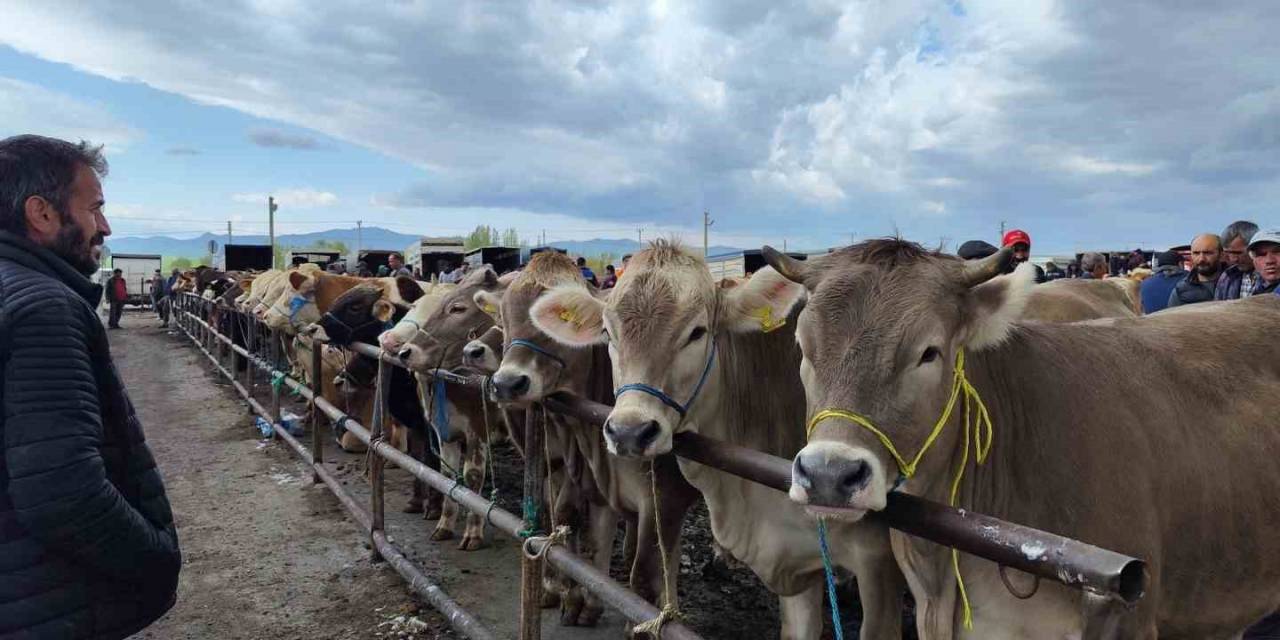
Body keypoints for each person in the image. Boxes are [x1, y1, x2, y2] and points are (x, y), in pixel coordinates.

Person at [0, 134, 180, 638]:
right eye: (95, 208)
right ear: (42, 213)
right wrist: (157, 557)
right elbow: (62, 491)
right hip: (43, 603)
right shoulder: (44, 307)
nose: (104, 225)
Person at [1168, 233, 1223, 307]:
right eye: (1196, 253)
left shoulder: (1236, 282)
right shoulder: (1181, 290)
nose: (1201, 259)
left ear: (1221, 254)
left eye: (1208, 253)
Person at [1215, 220, 1261, 300]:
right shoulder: (1227, 276)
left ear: (1254, 247)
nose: (1233, 259)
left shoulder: (1271, 275)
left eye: (1238, 253)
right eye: (1228, 253)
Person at [1247, 227, 1280, 296]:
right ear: (1254, 262)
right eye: (1261, 254)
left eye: (1277, 252)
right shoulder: (1256, 288)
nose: (1269, 260)